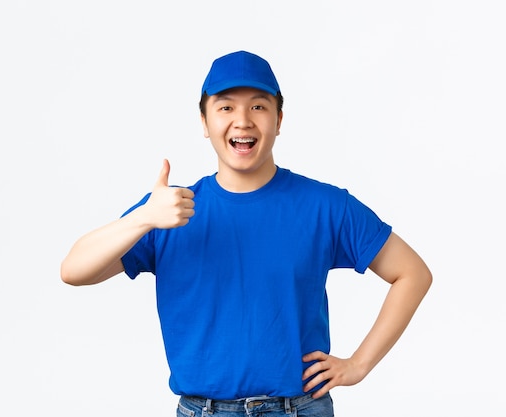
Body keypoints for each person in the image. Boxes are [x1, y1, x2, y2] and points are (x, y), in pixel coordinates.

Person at [60, 50, 432, 416]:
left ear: (279, 119)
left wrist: (359, 364)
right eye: (225, 107)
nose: (242, 121)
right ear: (204, 123)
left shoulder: (325, 206)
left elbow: (412, 273)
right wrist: (140, 219)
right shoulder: (168, 211)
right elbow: (74, 271)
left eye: (258, 106)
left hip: (298, 408)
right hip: (201, 410)